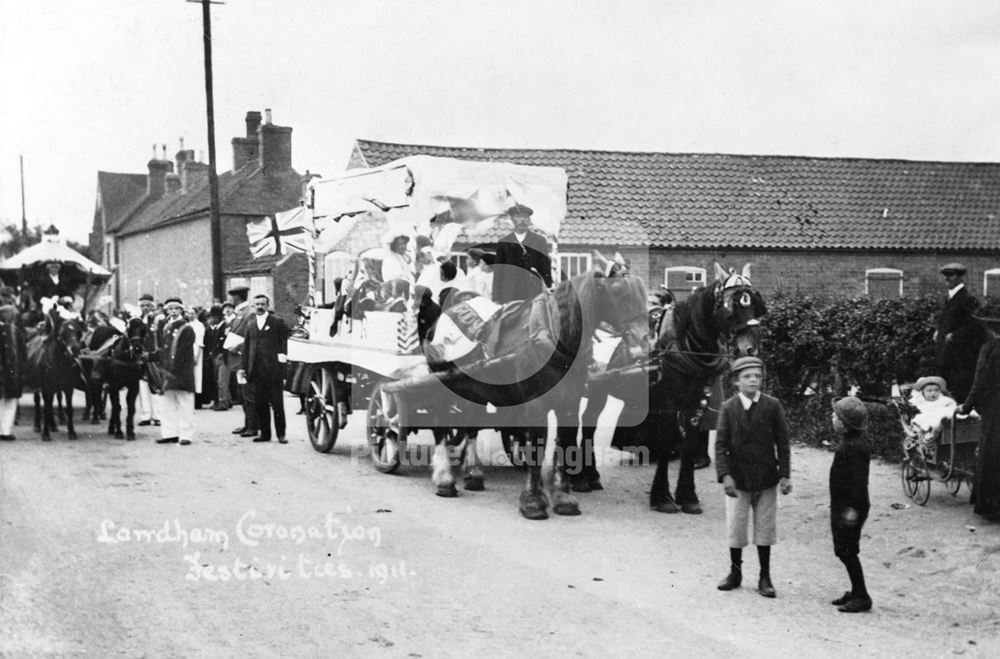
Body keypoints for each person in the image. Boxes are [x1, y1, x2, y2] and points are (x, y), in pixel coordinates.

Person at [715, 356, 792, 598]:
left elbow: (783, 442)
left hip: (766, 478)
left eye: (757, 376)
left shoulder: (772, 406)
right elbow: (721, 445)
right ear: (736, 382)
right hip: (738, 481)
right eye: (747, 377)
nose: (753, 381)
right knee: (736, 529)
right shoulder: (729, 408)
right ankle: (735, 572)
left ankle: (764, 576)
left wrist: (785, 475)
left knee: (765, 529)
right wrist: (725, 475)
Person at [828, 396, 873, 613]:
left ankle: (862, 595)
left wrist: (852, 512)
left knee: (847, 550)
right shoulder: (851, 443)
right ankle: (856, 591)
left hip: (850, 508)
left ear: (844, 424)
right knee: (844, 549)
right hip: (844, 506)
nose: (832, 418)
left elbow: (858, 484)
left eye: (835, 416)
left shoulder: (854, 447)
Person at [957, 318, 1000, 521]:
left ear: (990, 328)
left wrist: (966, 406)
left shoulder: (990, 348)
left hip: (995, 406)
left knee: (991, 451)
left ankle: (991, 505)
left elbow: (980, 380)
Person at [237, 294, 290, 443]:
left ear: (268, 306)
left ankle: (281, 434)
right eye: (257, 304)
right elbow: (246, 348)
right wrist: (243, 368)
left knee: (277, 404)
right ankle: (265, 434)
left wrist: (282, 359)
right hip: (257, 370)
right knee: (260, 403)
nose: (260, 307)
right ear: (253, 306)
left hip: (273, 370)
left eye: (263, 304)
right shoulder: (251, 324)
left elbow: (286, 339)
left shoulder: (277, 322)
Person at [935, 263, 987, 401]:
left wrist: (955, 335)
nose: (947, 279)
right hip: (946, 353)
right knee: (946, 388)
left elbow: (975, 326)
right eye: (945, 275)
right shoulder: (949, 297)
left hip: (959, 356)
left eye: (951, 275)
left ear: (960, 277)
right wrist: (938, 330)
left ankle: (962, 418)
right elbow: (946, 319)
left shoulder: (967, 298)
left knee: (958, 389)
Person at [155, 297, 196, 446]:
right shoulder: (166, 327)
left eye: (176, 308)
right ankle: (169, 433)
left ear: (181, 310)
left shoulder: (187, 328)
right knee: (167, 404)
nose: (173, 311)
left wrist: (172, 370)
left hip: (181, 372)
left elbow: (184, 352)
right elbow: (162, 350)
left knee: (185, 403)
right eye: (170, 308)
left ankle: (186, 434)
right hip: (167, 372)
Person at [492, 203, 552, 304]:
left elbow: (545, 268)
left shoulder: (539, 241)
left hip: (533, 293)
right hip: (509, 294)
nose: (522, 220)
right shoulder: (504, 242)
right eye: (518, 216)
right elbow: (499, 271)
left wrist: (549, 288)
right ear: (512, 220)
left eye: (525, 217)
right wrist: (496, 297)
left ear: (529, 220)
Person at [226, 286, 258, 438]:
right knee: (243, 394)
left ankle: (253, 426)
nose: (231, 300)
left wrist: (234, 345)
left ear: (237, 298)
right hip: (237, 359)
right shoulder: (240, 313)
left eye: (232, 297)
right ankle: (248, 424)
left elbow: (250, 337)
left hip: (243, 360)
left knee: (248, 394)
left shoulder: (248, 313)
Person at [0, 294, 26, 441]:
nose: (13, 317)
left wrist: (21, 370)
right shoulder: (13, 331)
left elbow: (22, 352)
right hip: (5, 373)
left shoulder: (16, 331)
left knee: (10, 402)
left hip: (13, 373)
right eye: (11, 315)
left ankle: (5, 431)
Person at [136, 293, 162, 427]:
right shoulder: (137, 320)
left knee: (155, 384)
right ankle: (146, 415)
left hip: (153, 357)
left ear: (152, 306)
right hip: (141, 356)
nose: (145, 308)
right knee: (142, 385)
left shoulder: (157, 319)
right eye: (142, 305)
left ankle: (157, 416)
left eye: (147, 305)